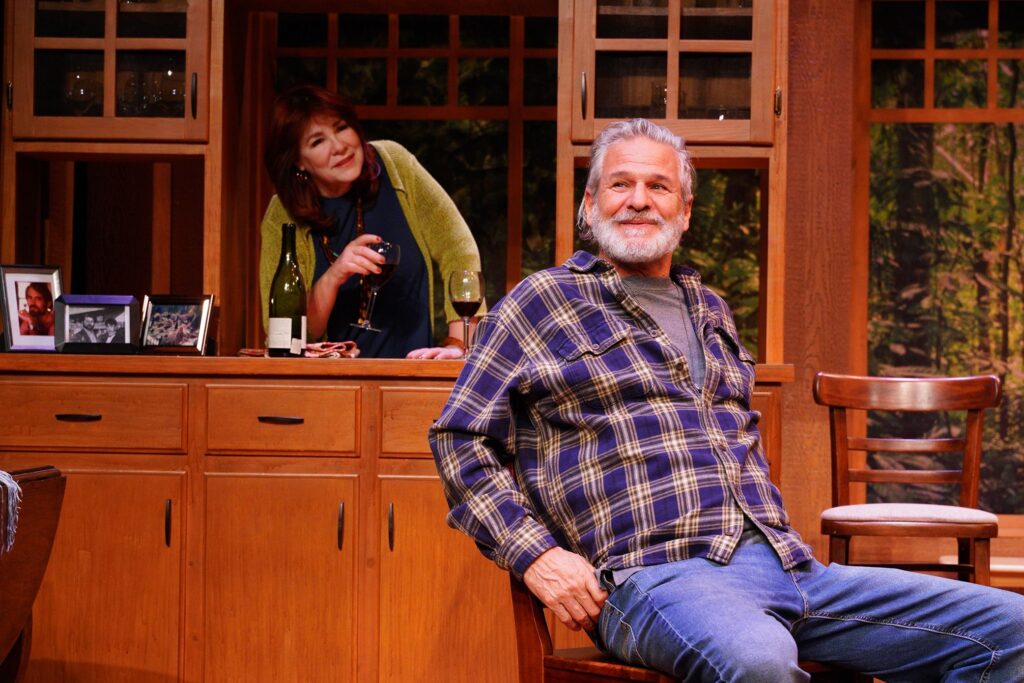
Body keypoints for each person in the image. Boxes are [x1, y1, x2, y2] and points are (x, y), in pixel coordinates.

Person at [429, 119, 1024, 682]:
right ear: (590, 205)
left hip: (790, 569)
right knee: (757, 662)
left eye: (659, 186)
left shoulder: (710, 308)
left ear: (684, 211)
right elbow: (459, 438)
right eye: (620, 184)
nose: (639, 200)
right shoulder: (542, 301)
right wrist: (536, 556)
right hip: (657, 578)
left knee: (1012, 628)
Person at [259, 84, 485, 360]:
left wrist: (458, 345)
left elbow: (457, 248)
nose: (339, 146)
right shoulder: (282, 215)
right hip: (331, 380)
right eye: (318, 142)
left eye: (341, 128)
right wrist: (335, 275)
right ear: (298, 161)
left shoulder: (395, 164)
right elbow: (286, 333)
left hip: (413, 372)